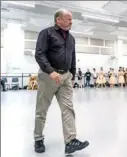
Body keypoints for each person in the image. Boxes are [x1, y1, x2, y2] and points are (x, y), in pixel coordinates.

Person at [34, 9, 89, 154]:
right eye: (68, 19)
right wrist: (50, 71)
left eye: (71, 19)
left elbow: (72, 57)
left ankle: (70, 141)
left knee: (68, 109)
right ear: (58, 20)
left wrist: (72, 74)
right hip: (48, 76)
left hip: (65, 77)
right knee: (42, 110)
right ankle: (38, 138)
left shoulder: (71, 39)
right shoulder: (46, 33)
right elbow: (39, 54)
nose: (71, 21)